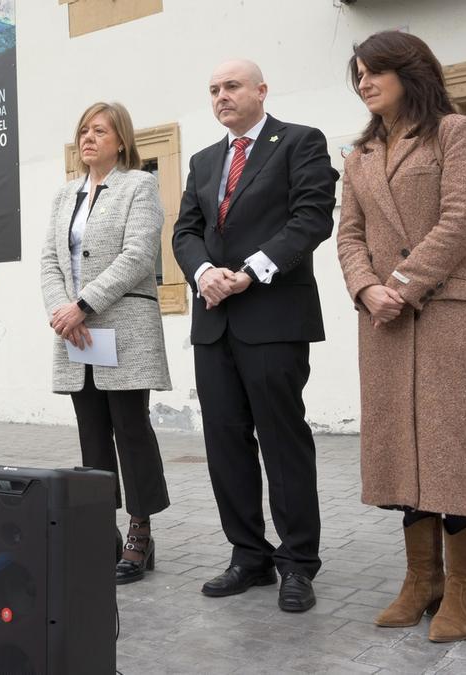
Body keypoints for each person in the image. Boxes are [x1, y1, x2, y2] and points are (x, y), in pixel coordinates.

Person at [337, 31, 466, 643]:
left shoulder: (456, 131)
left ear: (410, 71)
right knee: (402, 449)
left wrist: (400, 283)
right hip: (382, 322)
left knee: (454, 449)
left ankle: (465, 587)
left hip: (446, 310)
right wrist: (365, 288)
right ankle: (420, 580)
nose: (364, 83)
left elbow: (461, 216)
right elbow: (347, 234)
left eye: (374, 71)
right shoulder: (359, 155)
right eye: (357, 75)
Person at [172, 60, 338, 612]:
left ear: (262, 91)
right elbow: (186, 231)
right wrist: (202, 273)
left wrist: (250, 270)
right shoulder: (201, 161)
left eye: (232, 86)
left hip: (273, 316)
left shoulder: (299, 142)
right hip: (214, 322)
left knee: (282, 441)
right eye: (214, 88)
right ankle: (248, 555)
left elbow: (312, 217)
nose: (221, 95)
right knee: (225, 443)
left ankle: (297, 563)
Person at [39, 101, 171, 585]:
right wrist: (62, 311)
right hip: (75, 331)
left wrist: (85, 304)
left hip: (122, 326)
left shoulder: (140, 184)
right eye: (83, 131)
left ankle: (141, 531)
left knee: (130, 430)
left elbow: (139, 254)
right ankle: (102, 529)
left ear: (121, 140)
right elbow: (50, 261)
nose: (88, 138)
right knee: (91, 433)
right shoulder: (63, 195)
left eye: (99, 130)